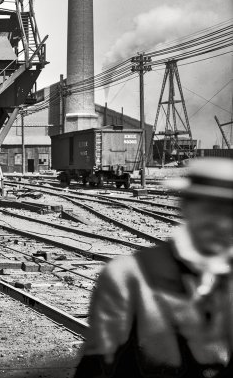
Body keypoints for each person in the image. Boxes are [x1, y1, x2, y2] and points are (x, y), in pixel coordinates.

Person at [74, 157, 233, 377]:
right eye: (208, 208)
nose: (220, 222)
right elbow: (96, 365)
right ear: (185, 207)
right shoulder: (128, 277)